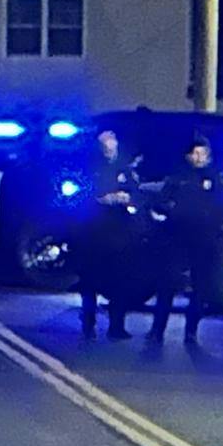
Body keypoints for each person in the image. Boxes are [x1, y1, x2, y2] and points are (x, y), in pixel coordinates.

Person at [148, 136, 223, 346]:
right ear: (188, 156)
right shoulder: (177, 178)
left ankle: (191, 332)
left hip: (203, 240)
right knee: (167, 285)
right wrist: (168, 214)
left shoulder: (215, 179)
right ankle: (158, 330)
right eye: (196, 153)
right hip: (177, 238)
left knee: (199, 288)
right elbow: (161, 203)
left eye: (203, 153)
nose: (200, 157)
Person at [75, 128, 144, 340]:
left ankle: (117, 326)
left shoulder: (125, 168)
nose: (108, 147)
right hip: (94, 232)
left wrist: (126, 198)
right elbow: (81, 193)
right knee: (90, 281)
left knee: (120, 281)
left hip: (120, 233)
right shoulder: (91, 168)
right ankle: (88, 323)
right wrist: (101, 200)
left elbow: (136, 194)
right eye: (104, 144)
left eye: (110, 143)